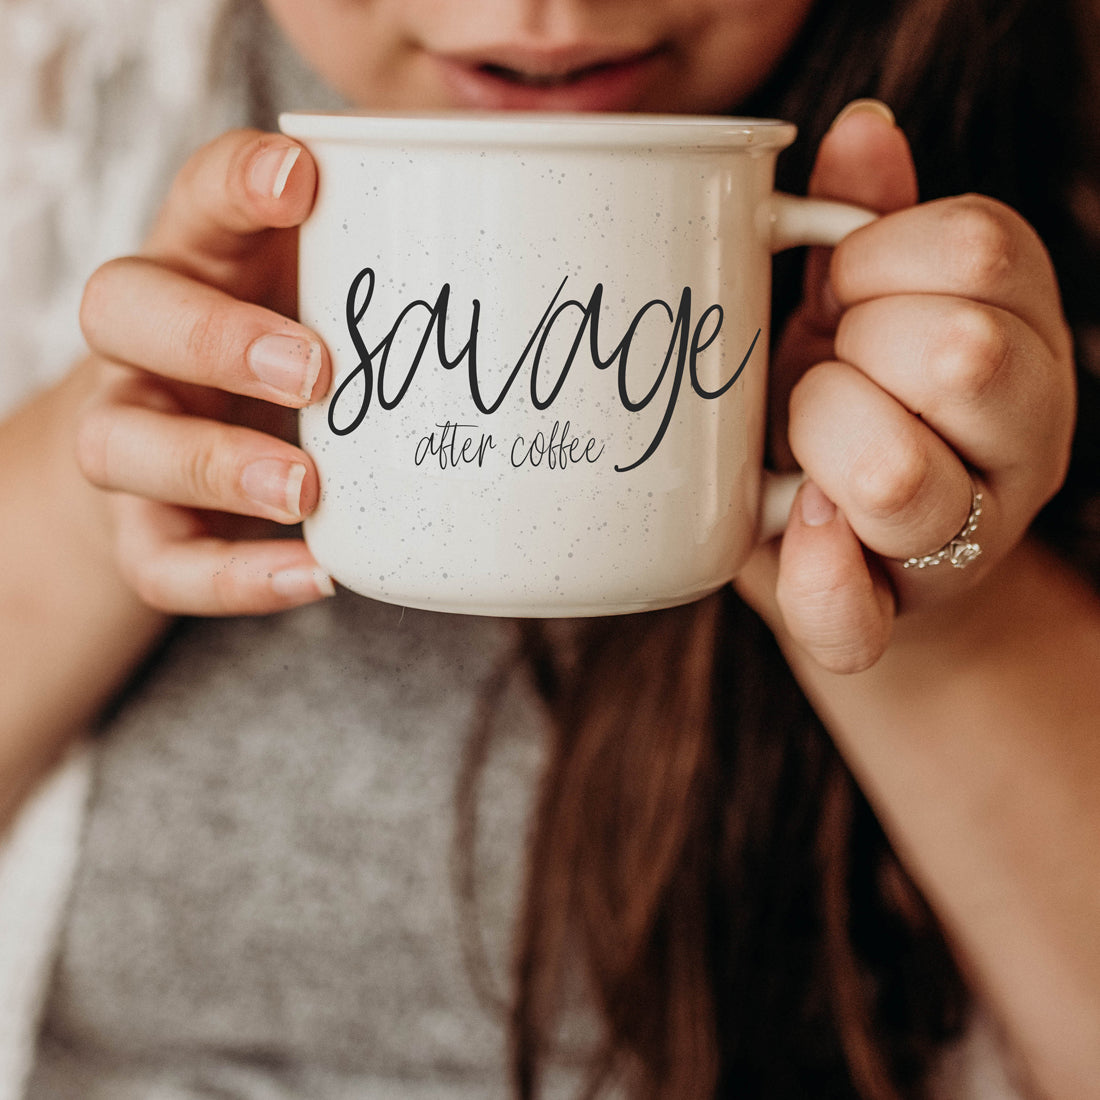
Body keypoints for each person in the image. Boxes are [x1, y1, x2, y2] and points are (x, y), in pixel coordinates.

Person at [0, 0, 1098, 1097]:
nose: (545, 13)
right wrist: (95, 483)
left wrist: (925, 581)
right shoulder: (57, 101)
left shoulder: (1026, 194)